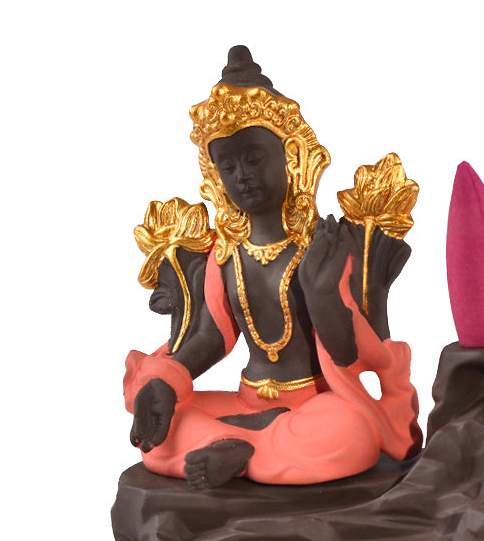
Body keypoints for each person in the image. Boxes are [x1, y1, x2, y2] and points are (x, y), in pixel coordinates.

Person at [124, 46, 421, 488]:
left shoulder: (322, 245)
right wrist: (168, 382)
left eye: (255, 158)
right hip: (247, 403)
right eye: (228, 165)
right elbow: (212, 337)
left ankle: (239, 451)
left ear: (291, 156)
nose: (242, 175)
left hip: (318, 403)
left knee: (351, 432)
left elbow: (350, 354)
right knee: (161, 435)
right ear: (216, 176)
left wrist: (323, 294)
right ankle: (245, 451)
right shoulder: (225, 255)